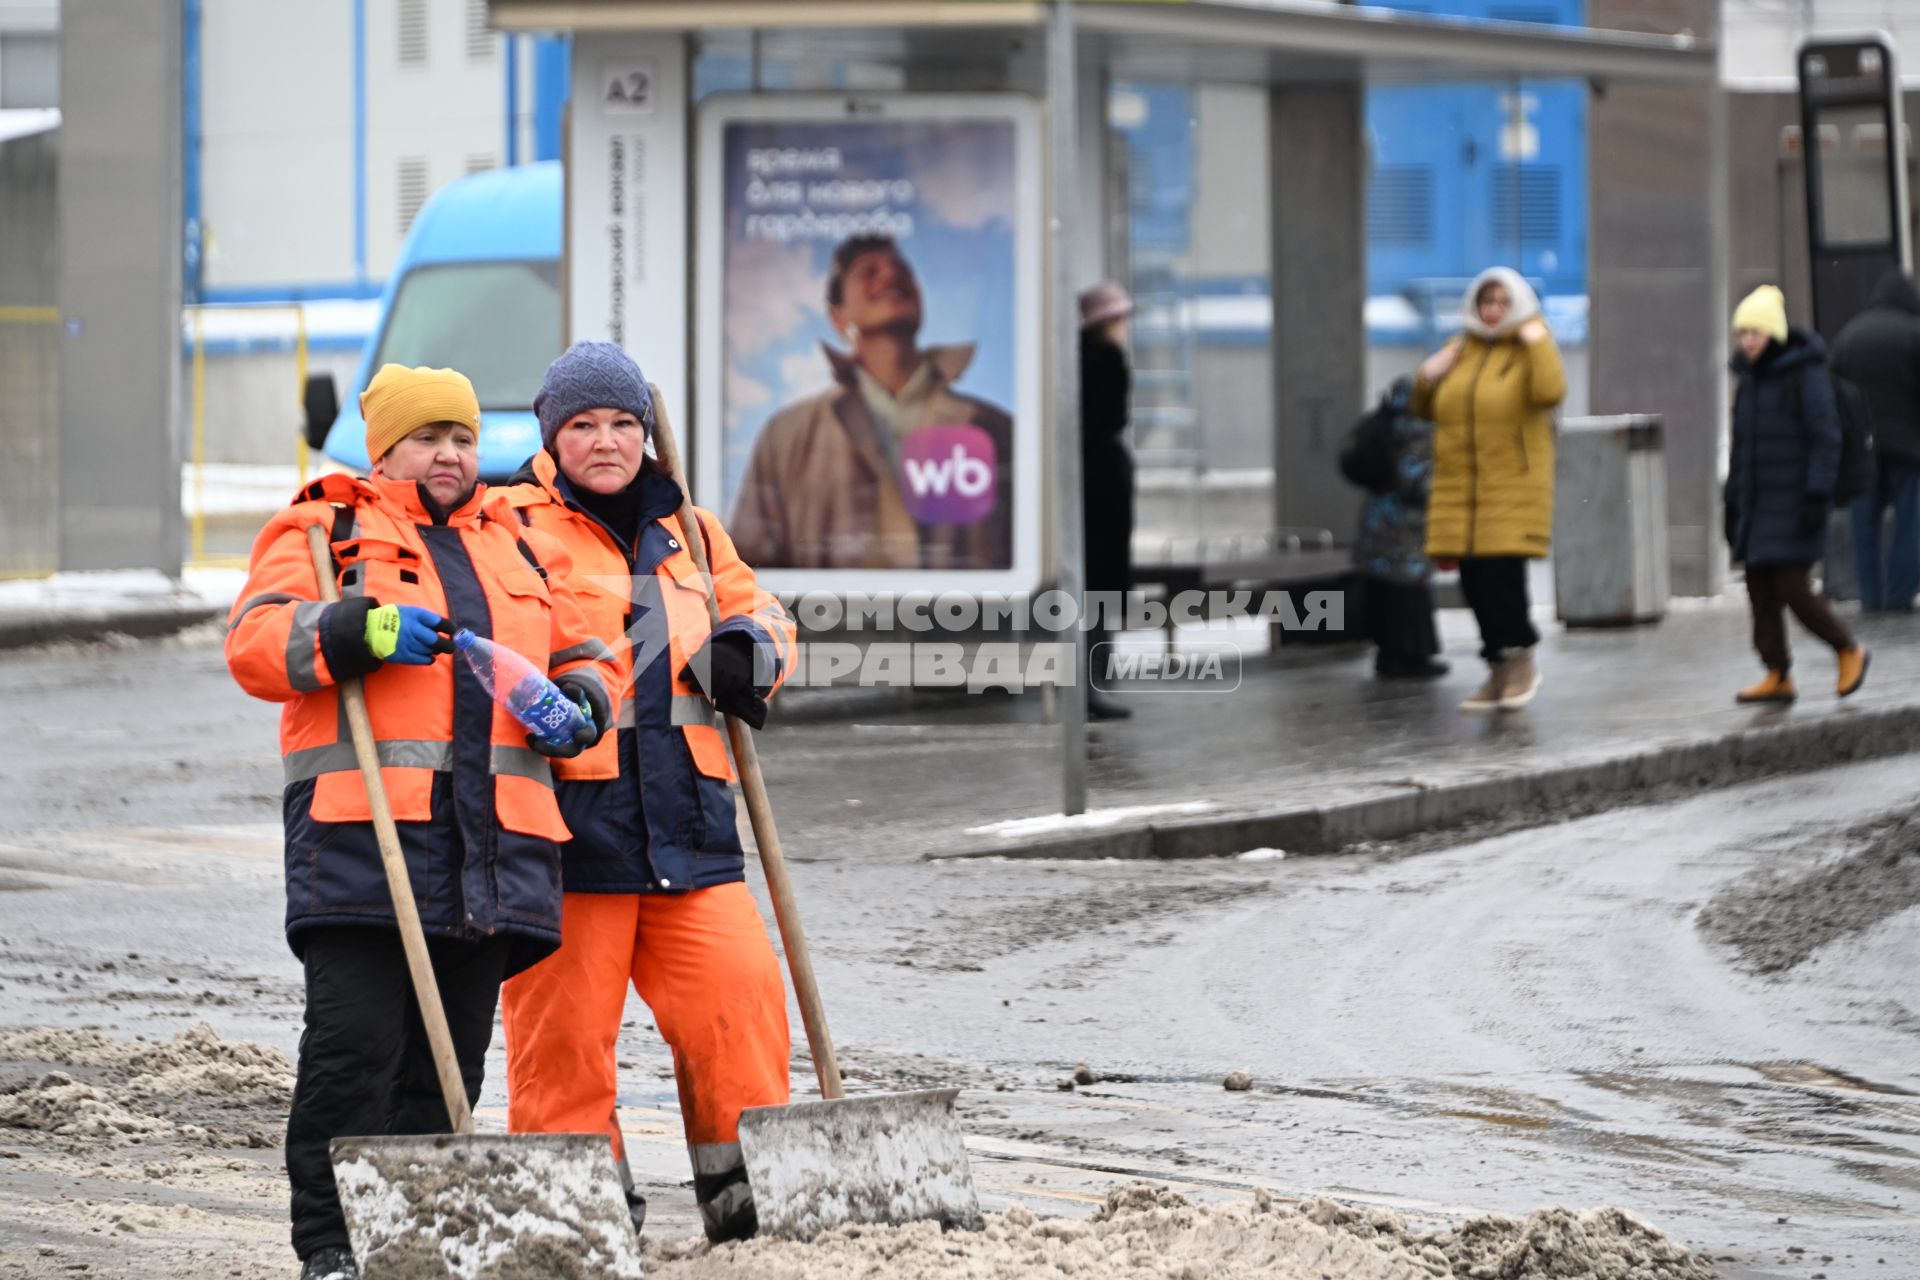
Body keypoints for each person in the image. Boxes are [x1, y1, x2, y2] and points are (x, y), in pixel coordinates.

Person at [224, 364, 619, 1280]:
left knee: (449, 1072)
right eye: (429, 438)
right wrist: (348, 632)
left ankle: (413, 1243)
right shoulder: (328, 527)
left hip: (495, 850)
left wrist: (582, 701)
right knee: (351, 1053)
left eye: (463, 438)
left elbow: (589, 649)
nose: (450, 455)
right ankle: (329, 1248)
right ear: (387, 447)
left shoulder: (516, 540)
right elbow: (254, 642)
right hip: (367, 844)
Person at [500, 342, 800, 1243]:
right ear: (552, 436)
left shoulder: (694, 536)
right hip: (564, 841)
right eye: (584, 425)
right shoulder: (507, 526)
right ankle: (581, 1233)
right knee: (562, 1057)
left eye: (624, 424)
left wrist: (753, 647)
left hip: (691, 837)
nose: (606, 441)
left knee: (739, 1018)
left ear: (645, 433)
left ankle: (752, 1222)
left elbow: (763, 611)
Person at [730, 233, 1013, 570]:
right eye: (868, 271)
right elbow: (747, 577)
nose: (890, 275)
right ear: (838, 316)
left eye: (902, 269)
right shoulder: (787, 436)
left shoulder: (993, 428)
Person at [1414, 266, 1565, 712]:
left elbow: (1550, 391)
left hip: (1511, 489)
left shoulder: (1529, 348)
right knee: (1474, 584)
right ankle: (1496, 666)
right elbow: (1424, 408)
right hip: (1461, 491)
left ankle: (1520, 661)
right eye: (1487, 302)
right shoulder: (1460, 350)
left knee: (1503, 581)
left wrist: (1537, 341)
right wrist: (1429, 374)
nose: (1494, 310)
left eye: (1502, 302)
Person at [1725, 285, 1871, 704]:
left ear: (1773, 332)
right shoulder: (1749, 383)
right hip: (1758, 506)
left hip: (1796, 503)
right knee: (1758, 587)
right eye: (1742, 332)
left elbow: (1826, 439)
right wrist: (1732, 502)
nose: (1748, 340)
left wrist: (1815, 495)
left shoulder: (1805, 375)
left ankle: (1848, 649)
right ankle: (1777, 672)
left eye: (1756, 332)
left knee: (1792, 586)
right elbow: (1742, 451)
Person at [1830, 267, 1920, 612]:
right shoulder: (1913, 333)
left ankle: (1870, 594)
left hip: (1862, 449)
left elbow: (1833, 391)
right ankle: (1900, 594)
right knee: (1908, 523)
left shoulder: (1850, 336)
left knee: (1863, 524)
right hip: (1908, 447)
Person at [1348, 378, 1447, 680]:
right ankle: (1410, 658)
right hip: (1403, 526)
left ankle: (1389, 655)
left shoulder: (1388, 420)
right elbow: (1415, 479)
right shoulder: (1417, 427)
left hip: (1379, 522)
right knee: (1409, 594)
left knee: (1387, 592)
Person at [1079, 281, 1136, 721]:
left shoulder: (1068, 362)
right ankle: (1094, 685)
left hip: (1080, 483)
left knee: (1083, 586)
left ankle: (1085, 683)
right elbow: (1115, 416)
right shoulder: (1109, 361)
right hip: (1104, 486)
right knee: (1102, 586)